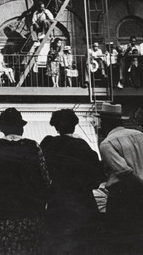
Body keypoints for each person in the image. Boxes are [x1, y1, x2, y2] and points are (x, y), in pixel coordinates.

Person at [98, 102, 143, 253]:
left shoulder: (107, 143)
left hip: (123, 196)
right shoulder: (140, 135)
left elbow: (126, 173)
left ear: (105, 123)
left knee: (121, 244)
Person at [0, 108, 51, 255]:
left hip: (3, 212)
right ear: (21, 128)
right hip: (30, 211)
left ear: (2, 129)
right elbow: (45, 178)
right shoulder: (33, 146)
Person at [41, 109, 102, 254]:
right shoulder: (83, 146)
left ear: (55, 126)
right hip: (82, 200)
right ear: (75, 124)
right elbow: (96, 174)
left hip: (58, 200)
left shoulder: (48, 144)